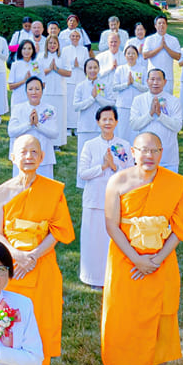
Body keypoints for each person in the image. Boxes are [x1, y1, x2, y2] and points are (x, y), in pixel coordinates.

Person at [100, 131, 183, 365]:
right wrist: (136, 259)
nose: (149, 155)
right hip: (125, 259)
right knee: (125, 317)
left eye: (155, 150)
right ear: (133, 152)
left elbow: (180, 227)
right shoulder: (118, 181)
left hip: (161, 261)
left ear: (162, 153)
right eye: (144, 150)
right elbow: (112, 225)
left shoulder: (174, 184)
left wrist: (157, 258)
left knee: (162, 319)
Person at [0, 134, 74, 365]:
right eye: (23, 152)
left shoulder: (52, 190)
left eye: (34, 152)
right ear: (13, 157)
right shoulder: (1, 192)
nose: (29, 157)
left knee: (40, 323)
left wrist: (34, 255)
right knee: (9, 322)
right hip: (11, 267)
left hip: (42, 263)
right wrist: (16, 255)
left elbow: (58, 230)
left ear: (42, 157)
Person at [76, 105, 128, 288]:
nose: (107, 123)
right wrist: (103, 167)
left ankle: (113, 276)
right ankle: (92, 277)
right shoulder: (89, 145)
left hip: (115, 200)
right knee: (93, 240)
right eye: (104, 119)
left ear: (116, 122)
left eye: (111, 119)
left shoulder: (124, 145)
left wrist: (114, 167)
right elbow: (83, 173)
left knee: (111, 240)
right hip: (94, 199)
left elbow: (130, 173)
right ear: (98, 122)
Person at [127, 67, 181, 171]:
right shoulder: (138, 100)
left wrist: (160, 115)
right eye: (152, 79)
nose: (155, 82)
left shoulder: (174, 101)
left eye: (159, 79)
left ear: (165, 82)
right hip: (145, 158)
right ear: (147, 81)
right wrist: (150, 114)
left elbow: (177, 126)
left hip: (168, 158)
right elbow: (134, 125)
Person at [7, 75, 64, 172]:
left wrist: (38, 125)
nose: (34, 92)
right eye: (30, 89)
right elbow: (11, 132)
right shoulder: (18, 109)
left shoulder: (50, 109)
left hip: (44, 158)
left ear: (42, 91)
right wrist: (29, 124)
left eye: (37, 89)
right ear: (26, 91)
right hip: (22, 158)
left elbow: (54, 134)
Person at [144, 16, 183, 94]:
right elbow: (145, 55)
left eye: (163, 23)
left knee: (167, 99)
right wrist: (160, 48)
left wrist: (166, 47)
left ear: (166, 25)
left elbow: (178, 56)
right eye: (159, 23)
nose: (161, 25)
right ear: (155, 25)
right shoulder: (149, 39)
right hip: (153, 76)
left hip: (167, 77)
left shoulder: (173, 39)